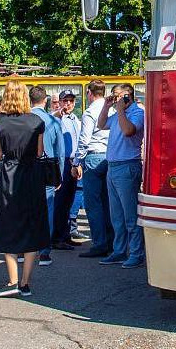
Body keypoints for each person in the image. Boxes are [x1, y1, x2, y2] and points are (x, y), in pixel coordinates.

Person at [0, 81, 48, 297]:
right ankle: (25, 283)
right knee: (33, 224)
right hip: (32, 175)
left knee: (8, 223)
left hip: (10, 175)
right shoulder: (36, 121)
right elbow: (40, 152)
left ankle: (12, 280)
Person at [98, 84, 146, 268]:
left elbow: (128, 131)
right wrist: (106, 106)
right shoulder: (119, 113)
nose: (115, 99)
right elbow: (101, 124)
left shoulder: (136, 113)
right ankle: (119, 251)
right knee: (116, 215)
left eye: (118, 96)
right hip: (113, 166)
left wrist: (120, 110)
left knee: (130, 215)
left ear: (128, 96)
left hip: (128, 166)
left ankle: (136, 253)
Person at [71, 80, 115, 258]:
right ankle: (112, 241)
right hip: (110, 156)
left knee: (92, 203)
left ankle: (99, 243)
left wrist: (76, 162)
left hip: (93, 158)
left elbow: (84, 140)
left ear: (89, 93)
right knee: (107, 202)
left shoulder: (90, 112)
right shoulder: (111, 109)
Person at [29, 86, 64, 266]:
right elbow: (60, 152)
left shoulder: (23, 121)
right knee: (48, 209)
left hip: (26, 169)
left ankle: (24, 250)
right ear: (45, 101)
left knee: (27, 209)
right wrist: (60, 176)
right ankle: (44, 252)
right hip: (48, 167)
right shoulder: (52, 121)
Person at [51, 90, 81, 249]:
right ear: (60, 102)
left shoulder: (75, 118)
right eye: (65, 100)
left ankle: (66, 234)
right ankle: (57, 237)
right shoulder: (57, 117)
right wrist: (58, 113)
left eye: (70, 100)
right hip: (62, 162)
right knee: (60, 201)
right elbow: (49, 121)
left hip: (73, 162)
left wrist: (78, 162)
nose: (68, 104)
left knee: (70, 200)